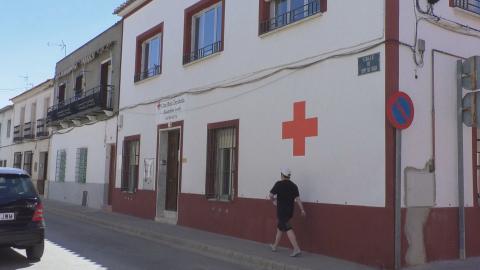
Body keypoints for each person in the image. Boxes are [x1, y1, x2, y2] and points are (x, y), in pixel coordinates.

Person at [269, 168, 306, 257]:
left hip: (281, 210)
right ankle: (274, 246)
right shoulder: (294, 186)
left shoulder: (279, 184)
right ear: (289, 176)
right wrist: (302, 209)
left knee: (288, 228)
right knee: (280, 228)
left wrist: (274, 201)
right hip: (290, 211)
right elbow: (298, 199)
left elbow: (270, 195)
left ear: (282, 175)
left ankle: (296, 249)